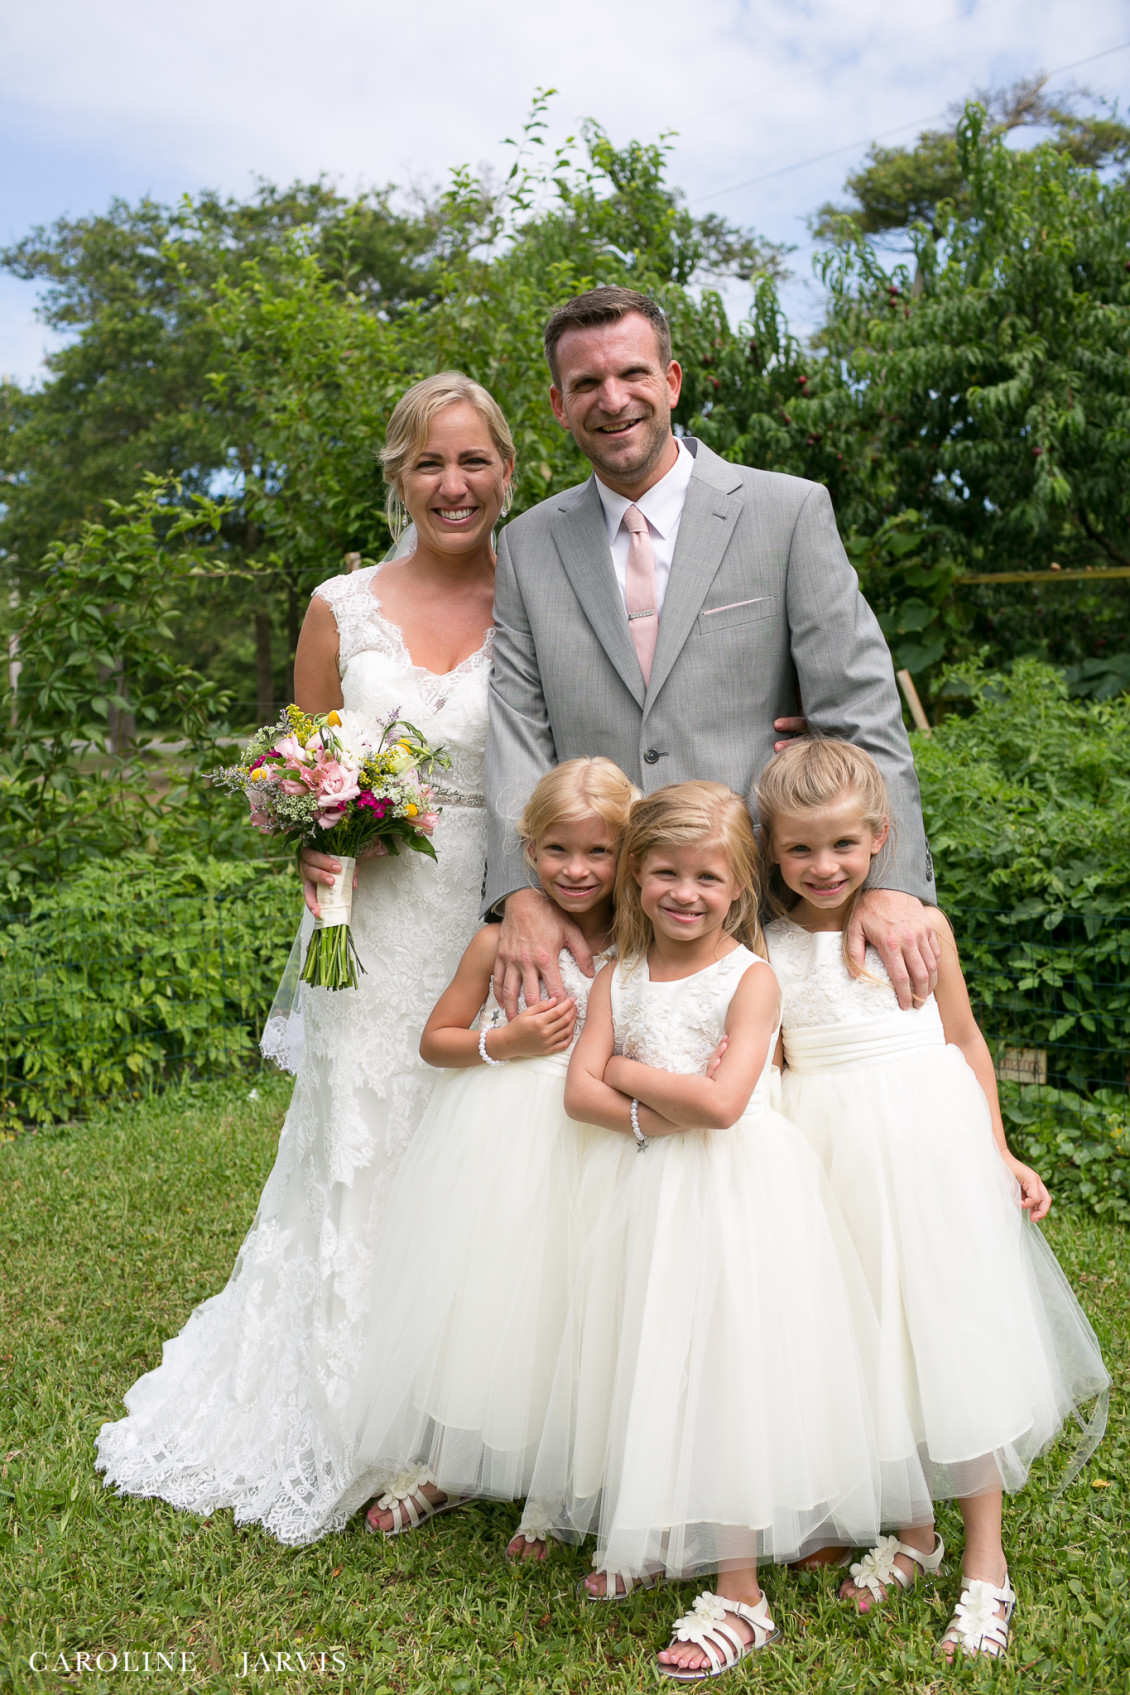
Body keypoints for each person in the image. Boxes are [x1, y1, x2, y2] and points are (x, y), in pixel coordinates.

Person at [96, 373, 512, 1545]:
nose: (452, 484)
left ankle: (477, 1403)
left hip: (495, 906)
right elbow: (303, 763)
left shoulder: (541, 594)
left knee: (481, 1138)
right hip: (369, 921)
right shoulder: (339, 607)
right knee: (364, 1134)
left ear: (506, 471)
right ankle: (356, 1402)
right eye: (428, 462)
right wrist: (315, 834)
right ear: (396, 477)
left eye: (473, 460)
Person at [486, 285, 941, 1025]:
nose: (612, 399)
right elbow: (517, 733)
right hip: (596, 920)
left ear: (671, 381)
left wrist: (892, 883)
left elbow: (860, 709)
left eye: (633, 373)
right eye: (586, 383)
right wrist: (521, 892)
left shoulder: (788, 512)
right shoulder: (527, 543)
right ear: (559, 405)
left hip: (772, 906)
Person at [524, 782, 886, 1682]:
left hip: (735, 1196)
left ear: (739, 886)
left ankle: (741, 1593)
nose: (685, 893)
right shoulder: (618, 975)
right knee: (649, 1352)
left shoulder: (749, 978)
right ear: (636, 876)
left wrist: (625, 1069)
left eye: (708, 877)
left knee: (727, 1370)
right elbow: (576, 1093)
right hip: (643, 1187)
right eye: (665, 873)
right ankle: (657, 1529)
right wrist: (655, 1105)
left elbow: (722, 1106)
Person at [757, 737, 1110, 1661]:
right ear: (771, 850)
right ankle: (915, 1528)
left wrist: (998, 1149)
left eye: (844, 844)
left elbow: (964, 1039)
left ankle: (986, 1561)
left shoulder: (922, 928)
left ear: (880, 836)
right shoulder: (766, 946)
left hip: (929, 1150)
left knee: (951, 1337)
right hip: (825, 1151)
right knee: (864, 1334)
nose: (824, 865)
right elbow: (776, 1062)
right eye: (799, 848)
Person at [326, 758, 637, 1549]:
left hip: (595, 1143)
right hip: (498, 1139)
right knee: (490, 1296)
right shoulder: (498, 939)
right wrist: (508, 1041)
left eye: (599, 852)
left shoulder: (642, 947)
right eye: (557, 849)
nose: (576, 869)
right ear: (527, 849)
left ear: (629, 852)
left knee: (574, 1303)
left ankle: (555, 1486)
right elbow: (436, 1039)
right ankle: (456, 1461)